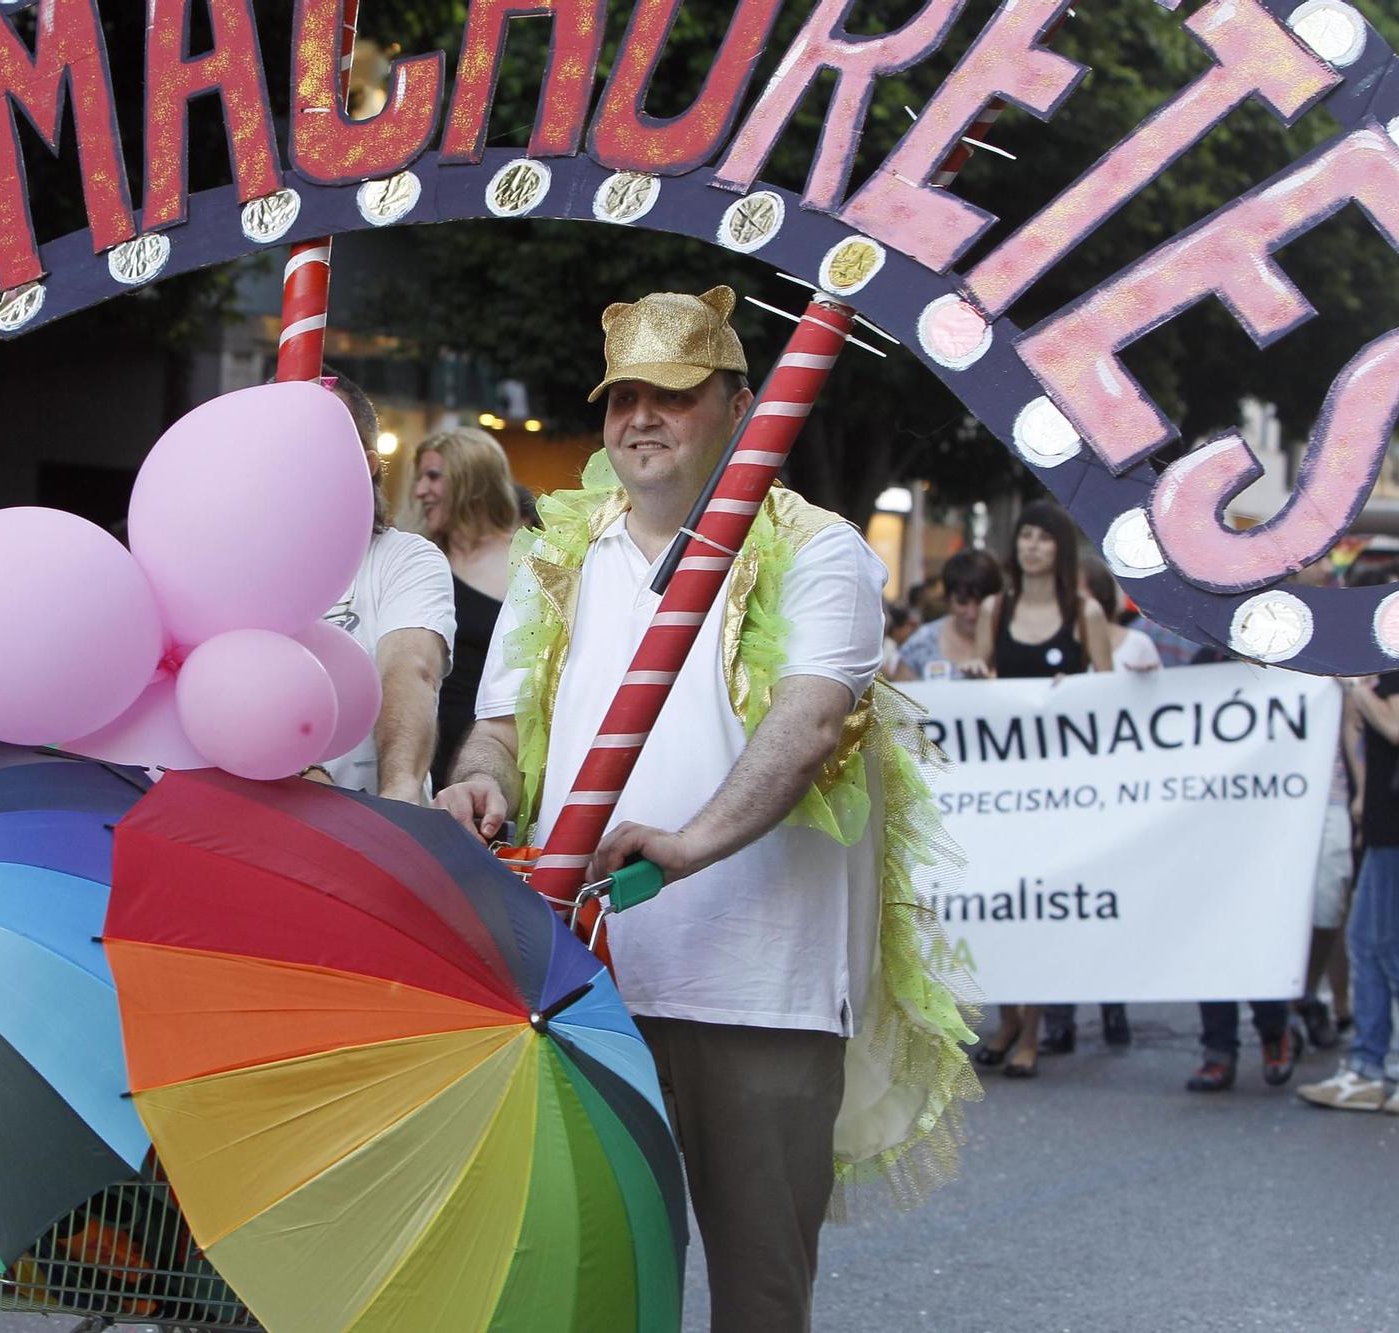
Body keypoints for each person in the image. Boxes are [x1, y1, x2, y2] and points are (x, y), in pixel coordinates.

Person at [438, 286, 975, 1331]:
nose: (640, 416)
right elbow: (497, 728)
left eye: (672, 395)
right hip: (584, 981)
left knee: (758, 1297)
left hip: (756, 988)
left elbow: (809, 722)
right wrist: (481, 784)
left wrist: (689, 844)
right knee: (582, 1283)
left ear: (736, 404)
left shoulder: (816, 550)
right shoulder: (554, 557)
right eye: (621, 396)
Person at [1299, 551, 1399, 1116]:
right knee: (1366, 942)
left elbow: (1397, 725)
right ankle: (1367, 1065)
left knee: (1394, 946)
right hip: (1396, 819)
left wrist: (1356, 687)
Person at [972, 501, 1112, 1076]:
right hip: (1001, 784)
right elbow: (979, 678)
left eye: (1043, 538)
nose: (1032, 546)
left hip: (1058, 786)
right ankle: (1009, 1018)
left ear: (1060, 549)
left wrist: (1074, 688)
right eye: (1024, 535)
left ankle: (1031, 1029)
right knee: (1005, 898)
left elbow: (1107, 692)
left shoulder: (1084, 613)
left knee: (1042, 904)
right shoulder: (993, 608)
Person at [309, 375, 454, 804]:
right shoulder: (234, 563)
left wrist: (399, 792)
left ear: (368, 462)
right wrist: (292, 766)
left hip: (372, 828)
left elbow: (411, 667)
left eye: (323, 436)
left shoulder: (405, 559)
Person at [408, 426, 517, 789]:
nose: (421, 490)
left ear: (473, 479)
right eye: (420, 477)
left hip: (489, 752)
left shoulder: (529, 559)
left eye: (434, 476)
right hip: (415, 746)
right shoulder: (417, 560)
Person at [892, 549, 1003, 681]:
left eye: (981, 602)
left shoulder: (1012, 641)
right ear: (948, 599)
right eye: (962, 602)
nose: (972, 613)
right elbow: (899, 697)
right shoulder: (921, 644)